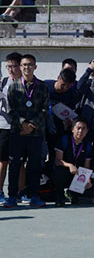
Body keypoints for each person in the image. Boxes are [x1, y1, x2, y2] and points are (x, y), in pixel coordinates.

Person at [3, 54, 49, 208]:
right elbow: (10, 109)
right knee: (14, 165)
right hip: (18, 133)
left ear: (35, 66)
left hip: (36, 133)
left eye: (30, 64)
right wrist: (23, 124)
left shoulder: (42, 86)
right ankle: (12, 196)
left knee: (34, 166)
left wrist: (31, 125)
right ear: (20, 67)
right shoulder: (13, 86)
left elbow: (45, 109)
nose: (27, 67)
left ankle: (33, 196)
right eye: (24, 65)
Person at [53, 118, 94, 206]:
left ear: (87, 131)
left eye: (83, 129)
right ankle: (60, 196)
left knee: (92, 191)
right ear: (72, 129)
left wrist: (88, 180)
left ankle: (73, 194)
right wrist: (69, 165)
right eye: (78, 128)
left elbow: (86, 166)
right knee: (59, 171)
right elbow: (58, 161)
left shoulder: (88, 145)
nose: (80, 131)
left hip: (78, 174)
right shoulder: (64, 139)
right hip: (65, 171)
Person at [0, 52, 22, 204]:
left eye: (14, 66)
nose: (11, 70)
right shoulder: (3, 82)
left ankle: (20, 192)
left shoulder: (26, 84)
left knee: (20, 162)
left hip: (20, 128)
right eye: (8, 67)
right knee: (3, 161)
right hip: (4, 127)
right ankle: (0, 191)